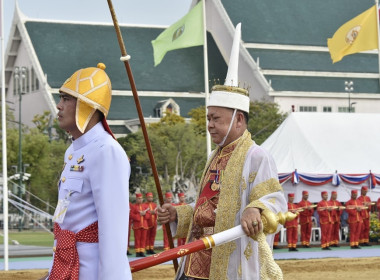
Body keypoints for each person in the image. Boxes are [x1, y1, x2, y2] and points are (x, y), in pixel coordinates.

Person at [157, 23, 287, 280]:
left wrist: (256, 209)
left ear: (239, 120)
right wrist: (179, 213)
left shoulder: (257, 156)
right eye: (208, 118)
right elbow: (207, 206)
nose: (209, 125)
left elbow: (275, 199)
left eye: (215, 118)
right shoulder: (215, 156)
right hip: (197, 259)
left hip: (229, 261)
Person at [47, 63, 132, 279]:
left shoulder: (107, 151)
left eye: (66, 99)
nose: (59, 106)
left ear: (88, 106)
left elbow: (113, 232)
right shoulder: (73, 151)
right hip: (66, 266)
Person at [131, 193, 150, 257]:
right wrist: (139, 215)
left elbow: (148, 216)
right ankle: (137, 252)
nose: (140, 200)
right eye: (139, 198)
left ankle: (142, 251)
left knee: (143, 239)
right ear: (136, 199)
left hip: (144, 225)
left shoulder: (145, 206)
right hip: (137, 225)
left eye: (141, 198)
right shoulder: (134, 206)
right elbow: (132, 215)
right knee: (137, 239)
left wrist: (144, 214)